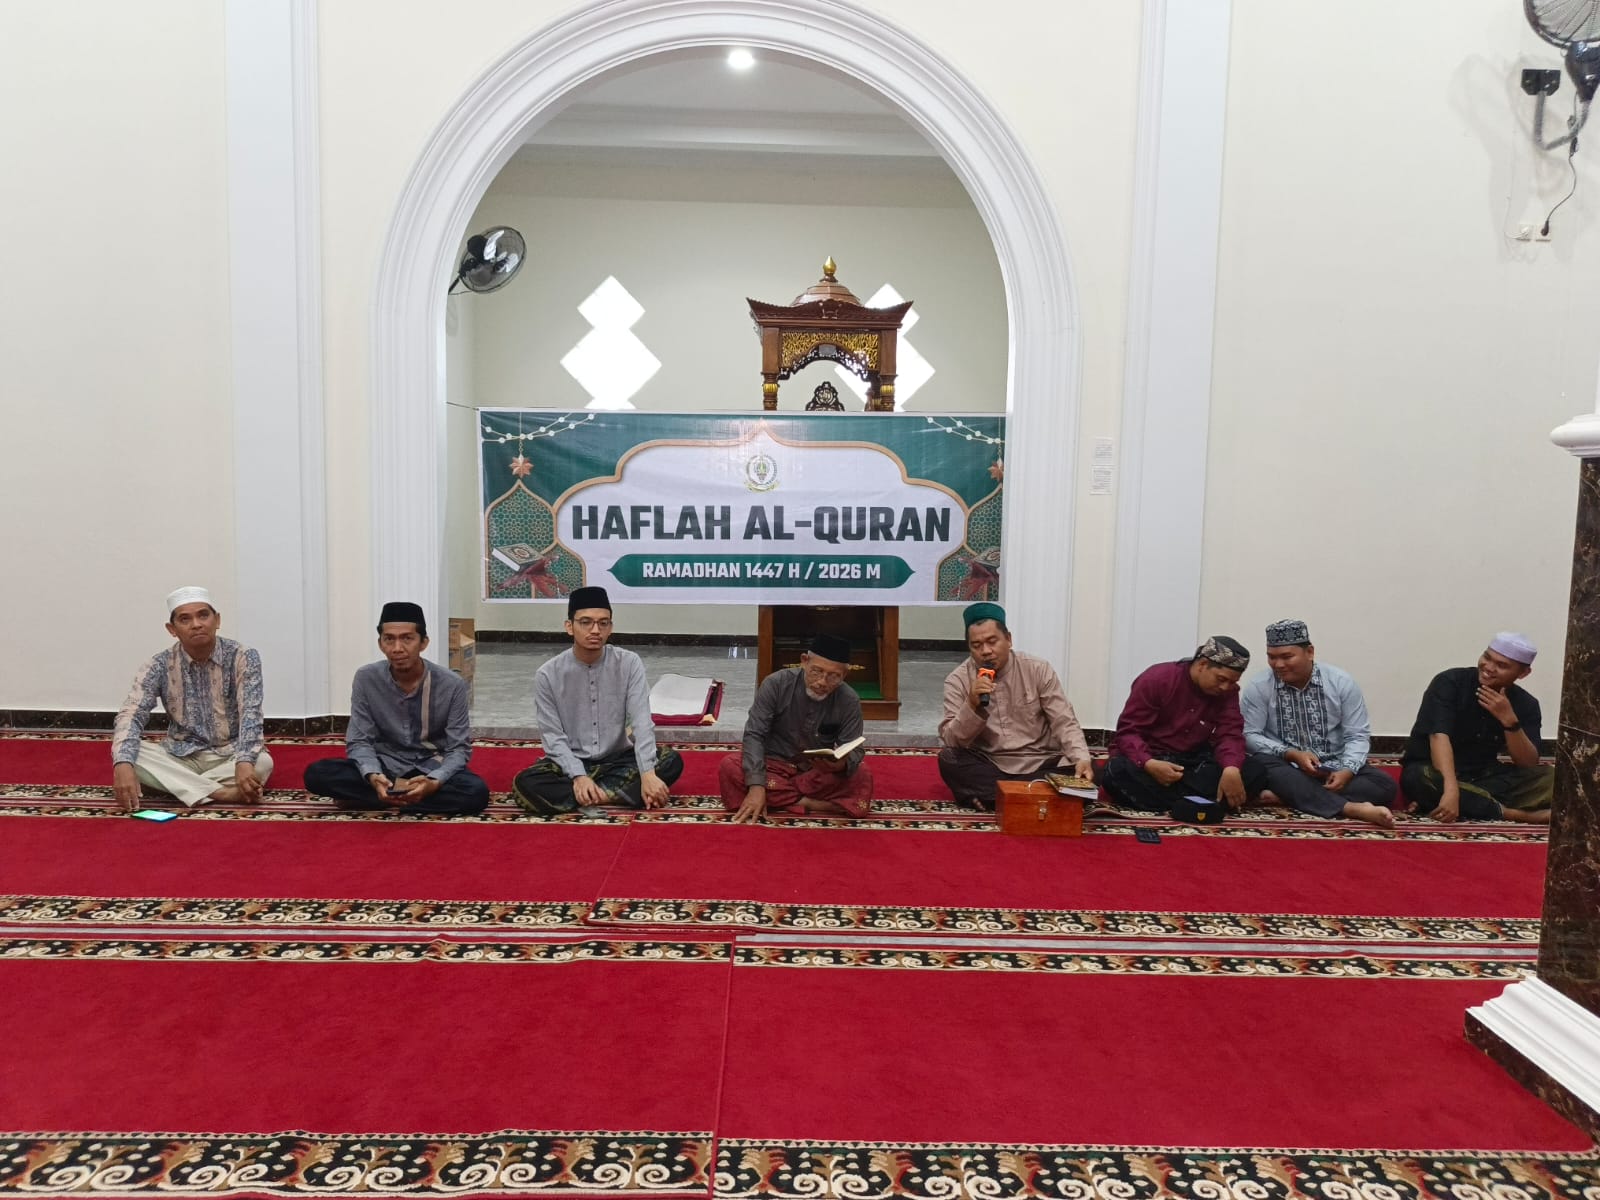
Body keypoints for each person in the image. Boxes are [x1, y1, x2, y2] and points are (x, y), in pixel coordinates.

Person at [511, 586, 684, 816]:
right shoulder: (548, 674)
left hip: (619, 759)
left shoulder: (629, 663)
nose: (595, 630)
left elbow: (642, 722)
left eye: (603, 623)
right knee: (525, 783)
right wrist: (578, 776)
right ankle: (620, 794)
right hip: (571, 762)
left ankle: (591, 797)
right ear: (569, 626)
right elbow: (552, 737)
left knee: (671, 760)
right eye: (586, 622)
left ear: (610, 627)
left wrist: (647, 773)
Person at [304, 602, 489, 815]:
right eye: (389, 639)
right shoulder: (366, 678)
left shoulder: (452, 684)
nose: (397, 648)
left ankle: (379, 799)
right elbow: (359, 740)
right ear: (380, 643)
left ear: (423, 643)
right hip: (385, 766)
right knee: (316, 774)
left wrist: (434, 782)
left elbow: (458, 749)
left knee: (476, 793)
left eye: (407, 639)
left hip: (431, 766)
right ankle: (402, 797)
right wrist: (373, 775)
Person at [111, 586, 273, 810]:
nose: (196, 624)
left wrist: (245, 761)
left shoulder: (243, 657)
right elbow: (131, 714)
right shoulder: (158, 665)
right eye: (185, 619)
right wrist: (122, 763)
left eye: (203, 615)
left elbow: (251, 713)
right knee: (131, 755)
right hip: (180, 755)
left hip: (230, 753)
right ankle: (222, 793)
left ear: (217, 620)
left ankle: (175, 785)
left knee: (262, 763)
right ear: (172, 629)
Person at [1239, 619, 1397, 828]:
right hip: (1285, 767)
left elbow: (1357, 735)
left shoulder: (1341, 683)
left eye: (1286, 657)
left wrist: (1347, 771)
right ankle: (1350, 808)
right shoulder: (1260, 686)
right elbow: (1249, 735)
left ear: (1310, 652)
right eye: (1272, 657)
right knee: (1261, 766)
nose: (1278, 665)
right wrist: (1291, 753)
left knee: (1385, 786)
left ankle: (1290, 796)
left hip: (1332, 766)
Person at [936, 601, 1092, 809]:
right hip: (991, 764)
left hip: (1041, 762)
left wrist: (1081, 758)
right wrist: (971, 705)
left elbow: (1063, 720)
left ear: (1008, 639)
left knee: (1091, 771)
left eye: (992, 641)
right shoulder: (957, 680)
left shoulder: (1037, 669)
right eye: (977, 645)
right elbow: (952, 741)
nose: (986, 651)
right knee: (948, 759)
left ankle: (995, 797)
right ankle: (1039, 796)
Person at [1399, 633, 1554, 824]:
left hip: (1485, 777)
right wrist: (1451, 790)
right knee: (1419, 779)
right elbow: (1439, 737)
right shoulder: (1450, 682)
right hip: (1435, 772)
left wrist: (1509, 721)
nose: (1489, 667)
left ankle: (1462, 802)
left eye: (1501, 665)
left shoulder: (1526, 703)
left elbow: (1528, 763)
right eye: (1487, 657)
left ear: (1523, 673)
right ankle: (1515, 814)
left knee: (1553, 778)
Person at [719, 633, 874, 822]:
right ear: (804, 661)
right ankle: (810, 803)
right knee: (730, 766)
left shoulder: (849, 700)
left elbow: (854, 748)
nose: (822, 682)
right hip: (772, 765)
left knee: (862, 773)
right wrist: (756, 785)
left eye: (834, 677)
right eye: (816, 671)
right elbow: (754, 734)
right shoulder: (775, 684)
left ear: (845, 675)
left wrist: (841, 764)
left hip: (814, 772)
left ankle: (782, 800)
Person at [1102, 636, 1251, 813]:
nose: (1225, 687)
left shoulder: (1228, 692)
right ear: (1203, 664)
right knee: (1117, 771)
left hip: (1191, 762)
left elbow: (1230, 733)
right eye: (1221, 679)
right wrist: (1148, 763)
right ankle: (1203, 802)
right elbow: (1128, 732)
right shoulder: (1157, 679)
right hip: (1152, 758)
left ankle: (1176, 802)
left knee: (1253, 770)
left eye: (1232, 682)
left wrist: (1231, 768)